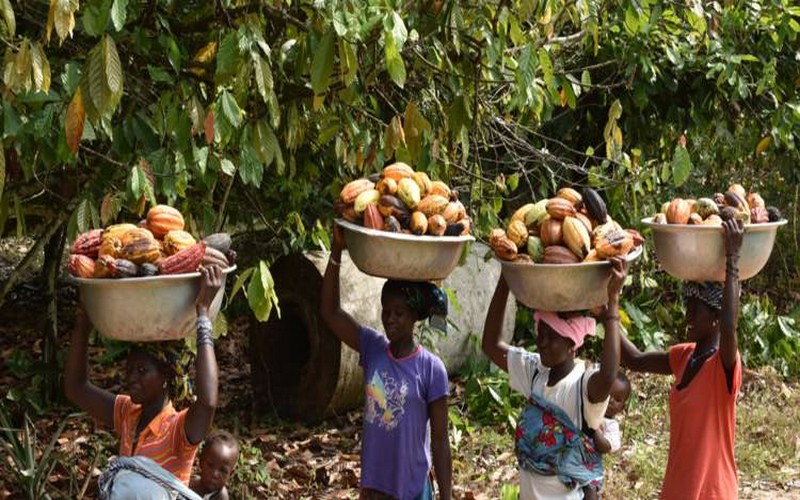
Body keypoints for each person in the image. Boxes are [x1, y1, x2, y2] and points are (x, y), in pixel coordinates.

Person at [320, 225, 452, 500]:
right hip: (374, 485)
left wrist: (447, 495)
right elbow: (330, 312)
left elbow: (440, 441)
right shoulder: (373, 347)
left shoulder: (431, 368)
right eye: (386, 311)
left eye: (399, 313)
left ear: (414, 317)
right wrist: (336, 250)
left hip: (412, 487)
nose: (390, 318)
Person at [482, 257, 628, 499]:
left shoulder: (582, 386)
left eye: (551, 336)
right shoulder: (535, 372)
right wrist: (506, 277)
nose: (541, 342)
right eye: (540, 332)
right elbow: (491, 344)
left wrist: (612, 304)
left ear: (572, 345)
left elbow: (609, 375)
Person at [65, 265, 224, 487]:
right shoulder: (128, 414)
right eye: (129, 370)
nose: (131, 378)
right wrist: (83, 323)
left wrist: (203, 313)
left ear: (166, 377)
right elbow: (76, 387)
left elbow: (207, 403)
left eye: (142, 371)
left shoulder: (178, 430)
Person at [619, 218, 744, 500]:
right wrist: (608, 309)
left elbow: (729, 328)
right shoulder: (685, 356)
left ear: (715, 316)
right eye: (687, 307)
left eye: (694, 310)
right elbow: (634, 359)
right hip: (678, 489)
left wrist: (732, 258)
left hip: (712, 492)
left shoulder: (724, 365)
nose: (687, 316)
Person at [190, 430, 240, 500]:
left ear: (230, 474)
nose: (215, 474)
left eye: (223, 470)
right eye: (210, 465)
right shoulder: (189, 484)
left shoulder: (221, 497)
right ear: (201, 461)